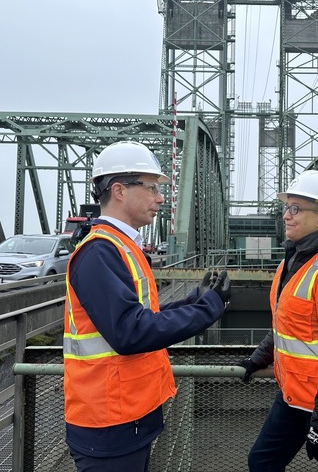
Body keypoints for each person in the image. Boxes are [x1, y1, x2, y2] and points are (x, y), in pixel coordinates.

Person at [63, 140, 231, 472]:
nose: (160, 197)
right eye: (152, 187)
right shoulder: (100, 252)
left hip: (126, 413)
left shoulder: (122, 247)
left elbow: (141, 316)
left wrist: (193, 300)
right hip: (109, 419)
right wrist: (207, 309)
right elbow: (130, 332)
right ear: (119, 191)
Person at [238, 170, 318, 472]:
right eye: (286, 208)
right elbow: (286, 325)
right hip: (293, 395)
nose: (286, 216)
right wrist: (256, 360)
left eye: (296, 209)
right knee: (261, 462)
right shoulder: (290, 262)